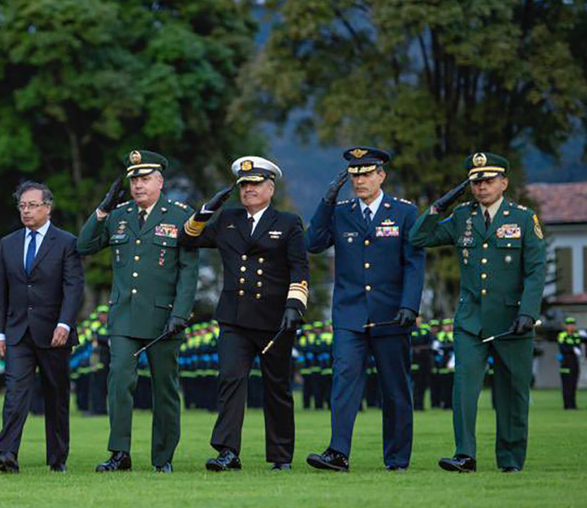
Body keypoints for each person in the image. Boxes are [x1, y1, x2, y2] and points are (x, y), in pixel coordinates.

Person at [410, 152, 545, 472]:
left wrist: (528, 312)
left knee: (511, 394)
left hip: (513, 322)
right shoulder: (462, 218)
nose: (481, 187)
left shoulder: (523, 218)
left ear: (504, 183)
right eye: (475, 182)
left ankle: (510, 460)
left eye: (487, 180)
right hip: (471, 321)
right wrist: (441, 204)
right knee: (464, 390)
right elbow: (418, 237)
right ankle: (465, 455)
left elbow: (535, 271)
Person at [181, 156, 308, 472]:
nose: (248, 189)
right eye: (244, 185)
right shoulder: (227, 220)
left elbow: (299, 267)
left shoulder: (288, 222)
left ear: (270, 187)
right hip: (234, 317)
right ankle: (227, 451)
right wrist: (206, 210)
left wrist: (295, 306)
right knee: (230, 380)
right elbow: (187, 239)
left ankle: (280, 456)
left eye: (254, 184)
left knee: (277, 387)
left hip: (275, 319)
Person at [77, 149, 199, 473]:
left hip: (164, 316)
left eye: (145, 179)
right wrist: (102, 209)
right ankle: (120, 453)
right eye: (134, 180)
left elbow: (189, 270)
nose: (138, 185)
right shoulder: (119, 215)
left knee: (165, 387)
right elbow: (84, 245)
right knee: (118, 380)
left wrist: (182, 313)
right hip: (124, 315)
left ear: (160, 181)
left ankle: (163, 457)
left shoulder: (179, 216)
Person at [305, 147, 425, 472]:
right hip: (350, 315)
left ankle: (397, 459)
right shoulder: (341, 210)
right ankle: (338, 452)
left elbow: (414, 264)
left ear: (381, 175)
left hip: (391, 314)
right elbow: (312, 242)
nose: (360, 180)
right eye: (354, 175)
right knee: (343, 383)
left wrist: (410, 305)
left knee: (395, 388)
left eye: (367, 173)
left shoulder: (403, 212)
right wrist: (326, 200)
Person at [0, 181, 84, 473]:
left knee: (56, 396)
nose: (26, 211)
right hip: (17, 333)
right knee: (15, 392)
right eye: (22, 206)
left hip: (54, 332)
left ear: (47, 208)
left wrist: (65, 323)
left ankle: (57, 458)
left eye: (32, 205)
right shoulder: (8, 243)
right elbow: (0, 291)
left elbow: (74, 287)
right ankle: (6, 454)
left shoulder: (66, 242)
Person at [557, 317, 582, 410]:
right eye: (569, 325)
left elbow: (581, 342)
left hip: (574, 362)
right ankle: (567, 405)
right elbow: (563, 348)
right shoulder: (562, 335)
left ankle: (573, 404)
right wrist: (572, 349)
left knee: (573, 384)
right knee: (566, 384)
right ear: (566, 325)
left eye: (572, 325)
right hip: (566, 363)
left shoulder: (576, 335)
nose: (571, 326)